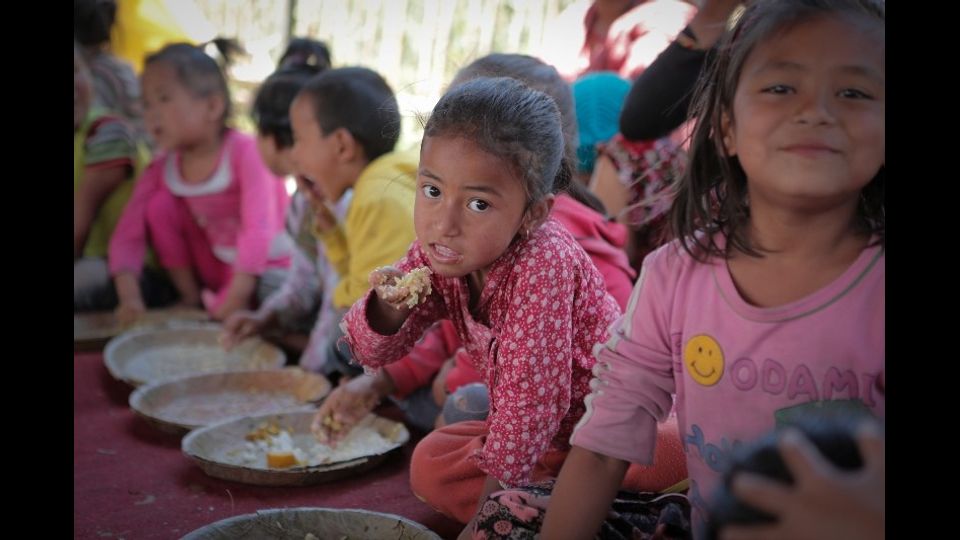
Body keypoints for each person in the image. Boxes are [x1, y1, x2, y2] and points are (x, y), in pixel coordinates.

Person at [484, 0, 885, 537]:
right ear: (725, 129)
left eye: (853, 92)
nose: (816, 111)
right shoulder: (676, 274)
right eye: (781, 88)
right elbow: (603, 450)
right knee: (506, 515)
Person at [320, 76, 623, 529]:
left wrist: (486, 519)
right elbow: (371, 350)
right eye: (432, 191)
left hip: (602, 437)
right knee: (431, 461)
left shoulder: (544, 262)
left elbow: (530, 407)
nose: (445, 224)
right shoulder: (437, 254)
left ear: (534, 213)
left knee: (651, 458)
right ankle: (544, 501)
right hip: (544, 441)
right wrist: (391, 306)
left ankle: (563, 506)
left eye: (478, 204)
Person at [109, 43, 292, 324]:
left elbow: (258, 229)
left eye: (163, 98)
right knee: (159, 206)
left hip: (265, 267)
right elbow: (128, 234)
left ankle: (233, 309)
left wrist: (236, 297)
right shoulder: (162, 166)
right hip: (218, 268)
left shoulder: (246, 152)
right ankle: (192, 298)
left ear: (212, 106)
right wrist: (129, 299)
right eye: (145, 103)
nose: (152, 113)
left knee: (278, 296)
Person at [287, 66, 419, 376]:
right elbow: (361, 274)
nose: (295, 155)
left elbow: (368, 298)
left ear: (342, 146)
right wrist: (332, 233)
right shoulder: (384, 178)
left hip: (420, 336)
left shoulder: (376, 195)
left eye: (299, 140)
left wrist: (335, 296)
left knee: (341, 335)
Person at [220, 38, 339, 364]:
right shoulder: (303, 201)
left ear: (274, 139)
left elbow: (339, 301)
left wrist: (308, 373)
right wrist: (264, 319)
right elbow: (303, 283)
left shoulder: (339, 203)